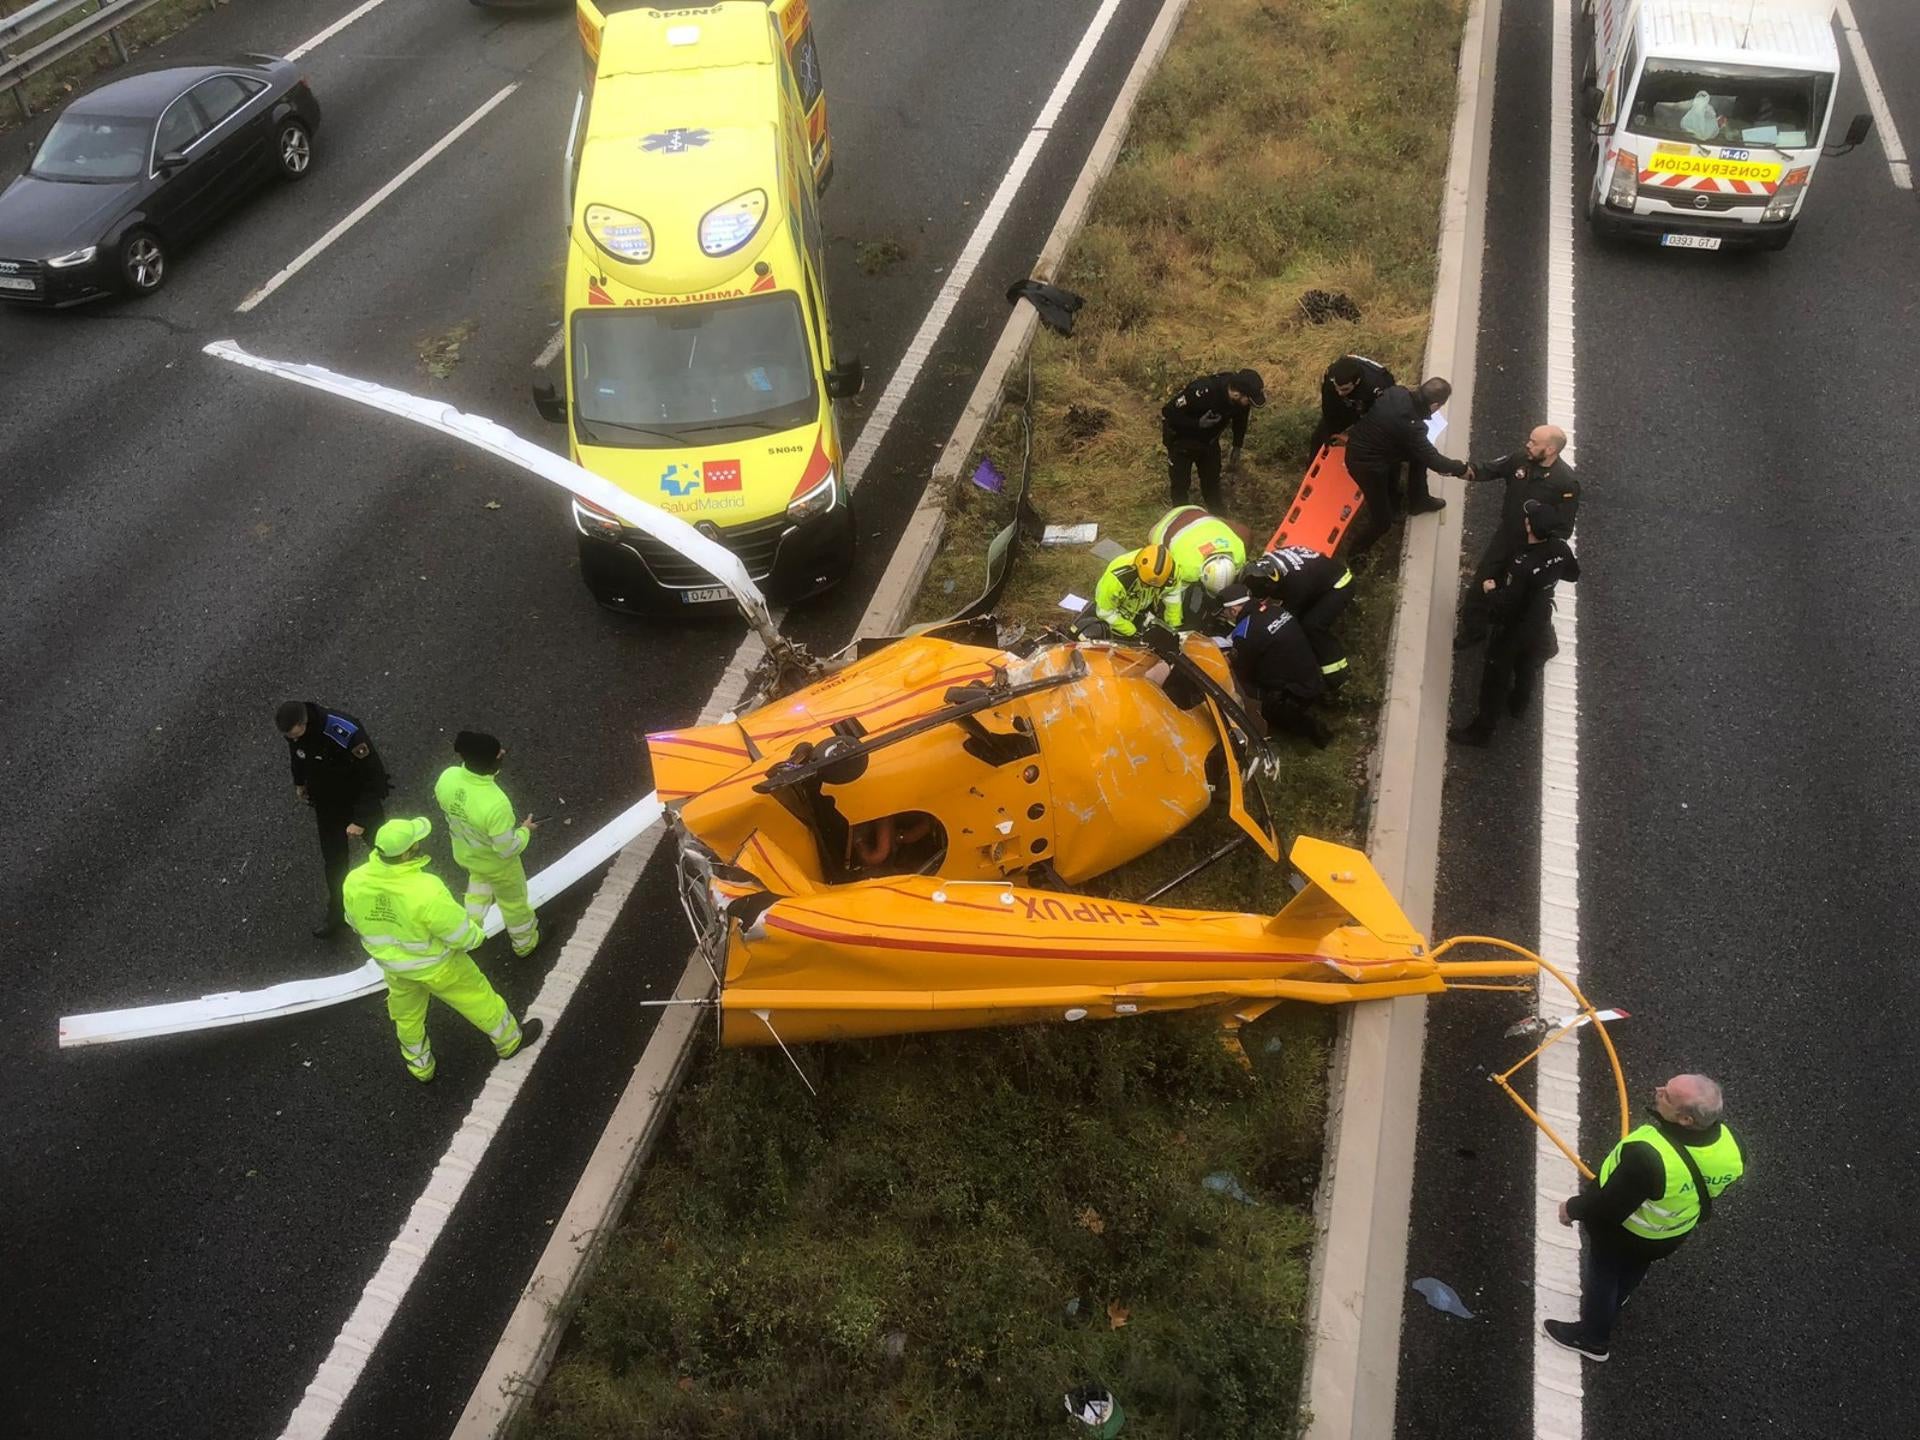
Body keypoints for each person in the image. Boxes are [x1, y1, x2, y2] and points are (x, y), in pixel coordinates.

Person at [1545, 1073, 1744, 1362]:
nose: (1658, 1089)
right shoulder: (1733, 1145)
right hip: (1672, 1232)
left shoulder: (1649, 1155)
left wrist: (1572, 1208)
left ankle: (1592, 1339)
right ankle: (1621, 1297)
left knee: (1604, 1274)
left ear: (1685, 1119)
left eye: (1667, 1096)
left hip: (1626, 1232)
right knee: (1636, 1266)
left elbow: (1608, 1206)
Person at [342, 816, 543, 1084]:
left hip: (395, 969)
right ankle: (510, 1041)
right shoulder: (426, 889)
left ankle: (420, 1067)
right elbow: (461, 935)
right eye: (415, 843)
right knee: (478, 999)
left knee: (407, 1017)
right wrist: (476, 936)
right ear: (405, 853)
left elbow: (353, 922)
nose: (419, 844)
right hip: (440, 968)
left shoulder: (354, 880)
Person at [1448, 501, 1578, 745]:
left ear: (1529, 526)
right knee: (1527, 666)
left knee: (1495, 679)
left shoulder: (1522, 564)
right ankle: (1519, 705)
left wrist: (1490, 591)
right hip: (1539, 621)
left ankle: (1482, 731)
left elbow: (1506, 604)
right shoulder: (1560, 549)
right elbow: (1573, 574)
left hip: (1512, 629)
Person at [1455, 424, 1580, 649]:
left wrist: (1542, 550)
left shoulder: (1566, 483)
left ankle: (1539, 639)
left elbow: (1564, 526)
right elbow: (1489, 469)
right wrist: (1459, 469)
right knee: (1483, 581)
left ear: (1550, 449)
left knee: (1529, 597)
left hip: (1533, 547)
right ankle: (1474, 630)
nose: (1528, 445)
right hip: (1507, 536)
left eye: (1534, 442)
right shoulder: (1521, 460)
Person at [277, 699, 392, 938]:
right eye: (289, 737)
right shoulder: (295, 734)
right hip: (328, 805)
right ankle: (338, 914)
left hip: (358, 800)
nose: (293, 740)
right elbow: (298, 755)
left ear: (303, 722)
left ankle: (406, 900)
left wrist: (360, 819)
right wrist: (299, 782)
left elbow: (373, 776)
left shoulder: (343, 731)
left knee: (387, 853)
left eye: (295, 734)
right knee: (334, 864)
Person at [434, 731, 541, 958]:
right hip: (499, 866)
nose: (503, 753)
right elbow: (507, 848)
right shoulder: (496, 803)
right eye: (499, 753)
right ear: (492, 762)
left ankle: (468, 933)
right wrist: (525, 831)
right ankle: (525, 943)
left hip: (467, 854)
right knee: (514, 904)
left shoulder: (447, 777)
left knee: (478, 889)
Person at [1343, 377, 1473, 558]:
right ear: (1435, 405)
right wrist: (1461, 469)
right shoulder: (1413, 427)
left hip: (1368, 447)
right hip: (1365, 466)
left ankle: (1418, 500)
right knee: (1382, 522)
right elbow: (1435, 460)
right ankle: (1355, 555)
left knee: (1417, 456)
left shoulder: (1397, 392)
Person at [1225, 589, 1331, 747]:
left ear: (1233, 610)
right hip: (1312, 672)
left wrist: (1230, 657)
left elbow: (1243, 670)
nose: (1225, 616)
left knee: (1240, 682)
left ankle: (1310, 728)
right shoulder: (1275, 609)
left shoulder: (1244, 633)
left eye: (1224, 613)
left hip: (1295, 690)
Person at [1243, 546, 1356, 689]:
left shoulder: (1297, 584)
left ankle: (1338, 677)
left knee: (1311, 626)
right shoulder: (1271, 564)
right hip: (1323, 575)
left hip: (1340, 586)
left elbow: (1289, 620)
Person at [1160, 368, 1266, 510]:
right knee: (1180, 487)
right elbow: (1168, 412)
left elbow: (1241, 419)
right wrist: (1196, 423)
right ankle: (1181, 521)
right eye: (1248, 400)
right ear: (1236, 393)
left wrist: (1237, 445)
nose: (1249, 404)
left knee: (1212, 486)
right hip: (1182, 441)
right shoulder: (1203, 391)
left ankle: (1219, 519)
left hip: (1209, 442)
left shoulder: (1241, 402)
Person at [1146, 506, 1249, 630]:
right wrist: (1174, 626)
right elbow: (1173, 595)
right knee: (1159, 575)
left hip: (1196, 512)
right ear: (1201, 574)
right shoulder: (1186, 567)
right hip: (1163, 529)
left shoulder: (1238, 551)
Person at [1310, 353, 1395, 454]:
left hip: (1372, 406)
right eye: (1337, 387)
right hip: (1350, 401)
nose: (1340, 392)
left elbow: (1380, 422)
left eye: (1344, 389)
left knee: (1372, 447)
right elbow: (1329, 407)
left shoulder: (1379, 386)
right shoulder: (1332, 375)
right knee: (1320, 437)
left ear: (1357, 382)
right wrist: (1332, 430)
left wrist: (1352, 439)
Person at [1091, 543, 1177, 638]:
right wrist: (1130, 630)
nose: (1147, 587)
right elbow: (1104, 613)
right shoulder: (1116, 582)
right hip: (1118, 607)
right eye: (1145, 584)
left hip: (1141, 604)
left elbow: (1173, 596)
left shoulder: (1170, 572)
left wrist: (1173, 625)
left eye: (1152, 586)